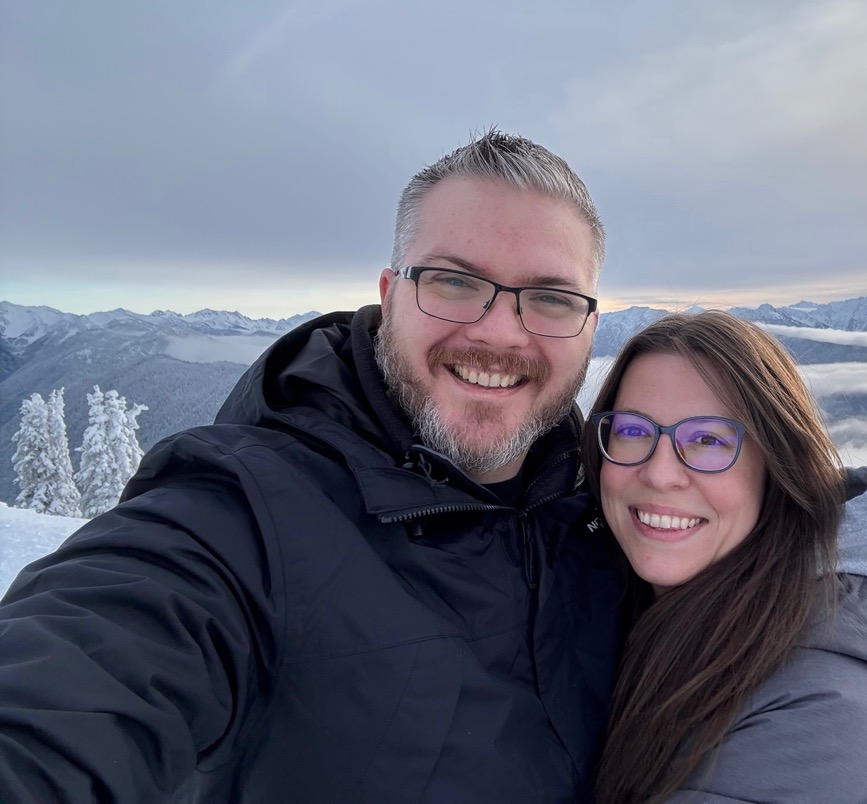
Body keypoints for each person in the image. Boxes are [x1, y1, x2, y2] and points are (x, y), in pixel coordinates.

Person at [0, 130, 626, 802]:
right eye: (453, 281)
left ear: (591, 327)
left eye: (552, 298)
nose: (501, 333)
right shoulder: (244, 512)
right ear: (390, 297)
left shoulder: (613, 516)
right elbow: (80, 674)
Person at [582, 310, 867, 803]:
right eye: (634, 431)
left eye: (707, 439)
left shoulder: (823, 717)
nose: (661, 474)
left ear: (778, 466)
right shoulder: (629, 603)